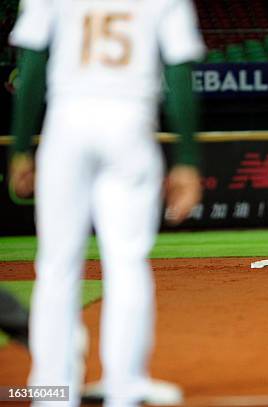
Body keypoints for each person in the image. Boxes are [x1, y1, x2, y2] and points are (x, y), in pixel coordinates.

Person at [8, 0, 204, 403]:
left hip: (66, 122)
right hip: (130, 122)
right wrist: (186, 158)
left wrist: (21, 147)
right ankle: (125, 386)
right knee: (127, 262)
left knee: (56, 265)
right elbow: (179, 71)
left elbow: (31, 67)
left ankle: (52, 391)